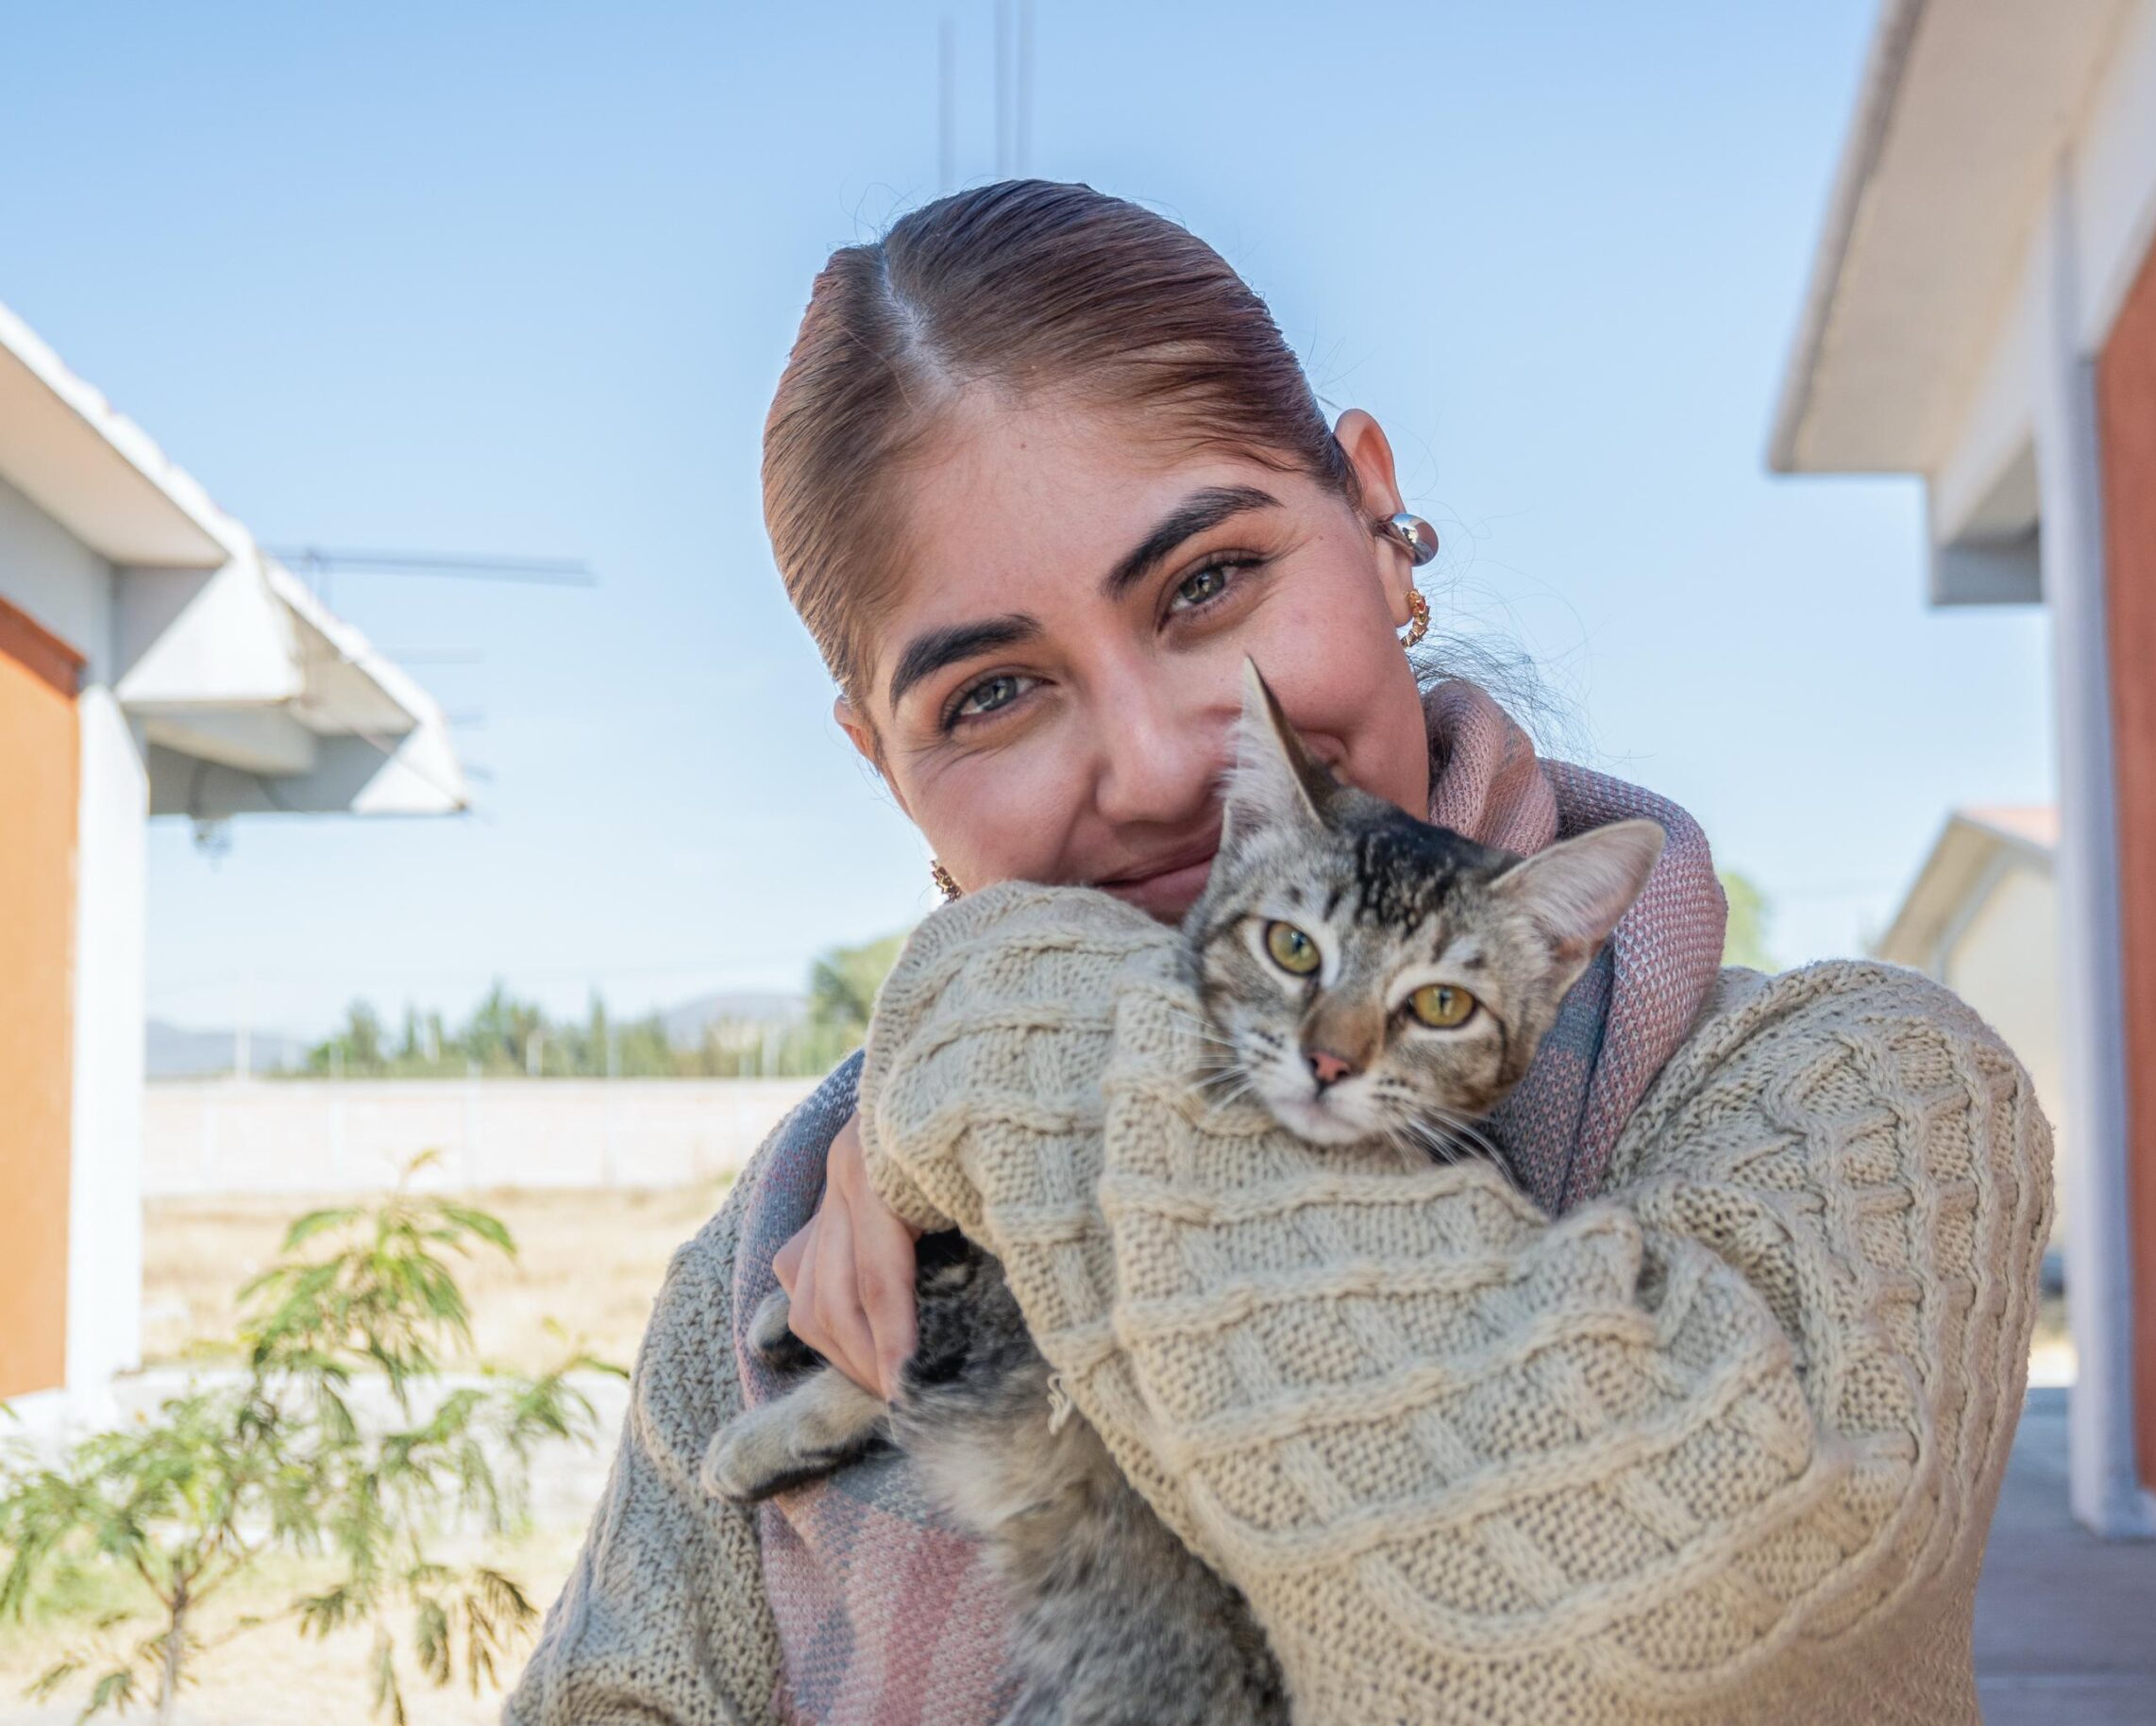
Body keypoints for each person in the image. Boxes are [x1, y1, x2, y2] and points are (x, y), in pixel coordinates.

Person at [506, 180, 2050, 1726]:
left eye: (1206, 584)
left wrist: (1020, 1030)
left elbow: (1614, 1641)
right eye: (988, 694)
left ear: (1377, 520)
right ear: (881, 764)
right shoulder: (776, 1257)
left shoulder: (1857, 1099)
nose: (1159, 760)